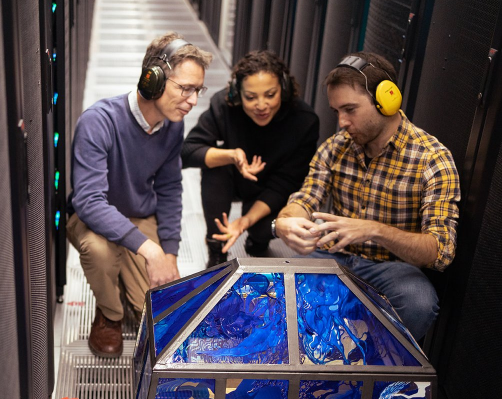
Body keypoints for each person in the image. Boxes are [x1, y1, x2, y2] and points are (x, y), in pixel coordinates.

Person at [273, 51, 461, 339]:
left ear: (386, 101)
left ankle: (375, 369)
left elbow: (440, 252)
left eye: (350, 109)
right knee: (275, 292)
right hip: (334, 256)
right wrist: (286, 221)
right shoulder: (337, 146)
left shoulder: (432, 159)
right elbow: (306, 198)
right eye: (337, 111)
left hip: (392, 267)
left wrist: (374, 231)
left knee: (419, 302)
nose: (342, 122)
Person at [66, 32, 213, 358]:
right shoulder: (99, 122)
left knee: (164, 316)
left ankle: (128, 291)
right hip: (92, 219)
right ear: (153, 79)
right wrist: (151, 251)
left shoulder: (173, 126)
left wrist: (169, 253)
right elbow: (89, 201)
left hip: (138, 215)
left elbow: (170, 189)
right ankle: (110, 314)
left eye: (197, 91)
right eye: (184, 88)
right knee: (100, 252)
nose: (192, 101)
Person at [182, 51, 319, 268]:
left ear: (283, 89)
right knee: (215, 166)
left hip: (273, 192)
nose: (261, 105)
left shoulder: (304, 121)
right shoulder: (224, 106)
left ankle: (258, 238)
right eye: (251, 97)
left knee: (260, 231)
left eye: (270, 94)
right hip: (235, 179)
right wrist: (230, 155)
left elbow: (285, 184)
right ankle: (217, 249)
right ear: (237, 93)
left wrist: (245, 222)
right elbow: (187, 152)